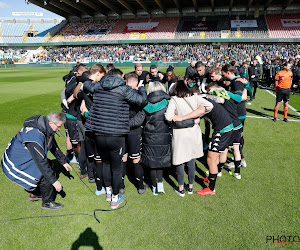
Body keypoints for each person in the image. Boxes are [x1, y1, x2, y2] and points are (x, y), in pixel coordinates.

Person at [79, 68, 147, 209]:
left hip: (99, 133)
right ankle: (114, 200)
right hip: (116, 134)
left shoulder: (99, 86)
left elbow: (85, 85)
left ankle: (109, 193)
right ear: (120, 78)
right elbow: (143, 101)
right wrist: (141, 88)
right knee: (116, 168)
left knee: (105, 164)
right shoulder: (123, 89)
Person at [1, 112, 72, 210]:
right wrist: (54, 182)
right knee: (46, 172)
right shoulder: (35, 136)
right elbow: (41, 162)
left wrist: (63, 161)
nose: (59, 129)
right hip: (14, 164)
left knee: (49, 166)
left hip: (21, 157)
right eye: (59, 126)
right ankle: (47, 203)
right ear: (51, 123)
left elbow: (52, 144)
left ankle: (35, 194)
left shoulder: (45, 126)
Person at [165, 80, 213, 196]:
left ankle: (181, 188)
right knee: (191, 160)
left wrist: (182, 118)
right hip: (193, 132)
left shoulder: (175, 99)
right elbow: (210, 105)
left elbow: (168, 116)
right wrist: (197, 117)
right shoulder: (195, 97)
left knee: (180, 161)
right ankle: (190, 187)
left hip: (180, 134)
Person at [142, 81, 171, 195]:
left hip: (149, 136)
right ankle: (160, 185)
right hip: (163, 135)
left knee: (152, 161)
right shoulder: (167, 102)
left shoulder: (144, 102)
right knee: (159, 160)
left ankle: (155, 186)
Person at [121, 73, 148, 194]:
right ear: (136, 83)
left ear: (126, 82)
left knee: (123, 157)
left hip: (121, 129)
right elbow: (141, 114)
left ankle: (121, 186)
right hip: (134, 130)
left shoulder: (120, 94)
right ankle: (140, 186)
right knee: (136, 158)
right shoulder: (140, 96)